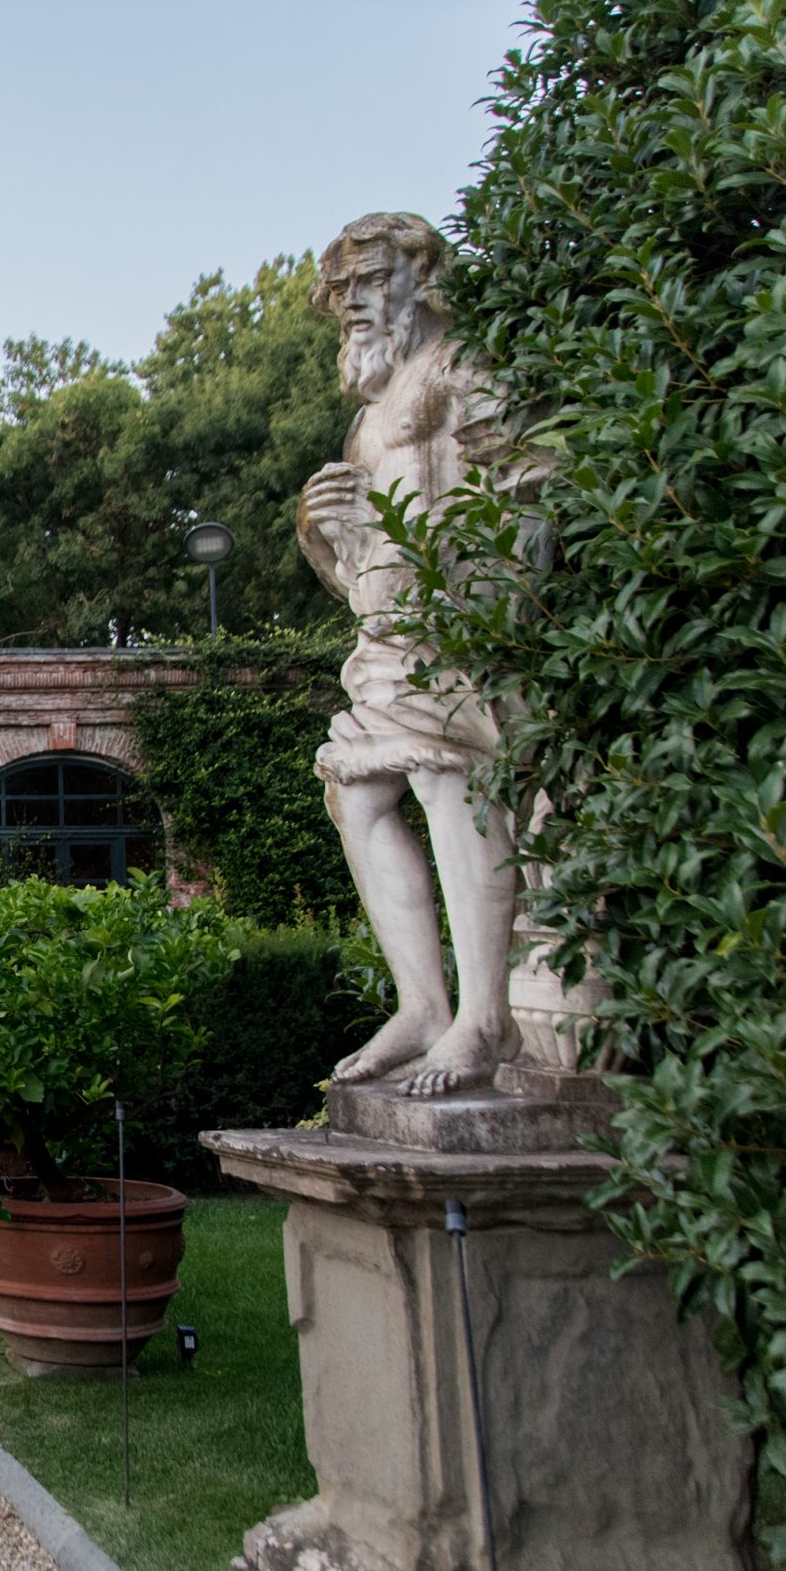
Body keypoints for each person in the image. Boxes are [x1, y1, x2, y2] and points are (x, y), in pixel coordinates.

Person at [298, 212, 520, 1097]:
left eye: (368, 283)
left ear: (419, 278)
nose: (352, 304)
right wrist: (322, 527)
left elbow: (522, 482)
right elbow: (356, 564)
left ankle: (485, 1017)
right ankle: (426, 1005)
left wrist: (487, 586)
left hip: (457, 628)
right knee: (356, 793)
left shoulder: (464, 369)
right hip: (390, 637)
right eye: (342, 292)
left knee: (445, 781)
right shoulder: (371, 415)